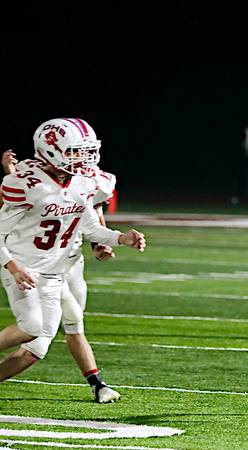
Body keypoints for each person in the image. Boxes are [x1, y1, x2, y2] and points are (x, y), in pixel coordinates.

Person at [0, 118, 146, 387]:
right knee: (33, 327)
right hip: (25, 266)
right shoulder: (27, 183)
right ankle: (96, 383)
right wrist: (12, 266)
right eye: (76, 151)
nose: (84, 158)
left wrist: (121, 238)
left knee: (40, 346)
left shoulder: (84, 182)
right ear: (51, 150)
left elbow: (90, 224)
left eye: (87, 151)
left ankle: (96, 383)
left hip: (57, 271)